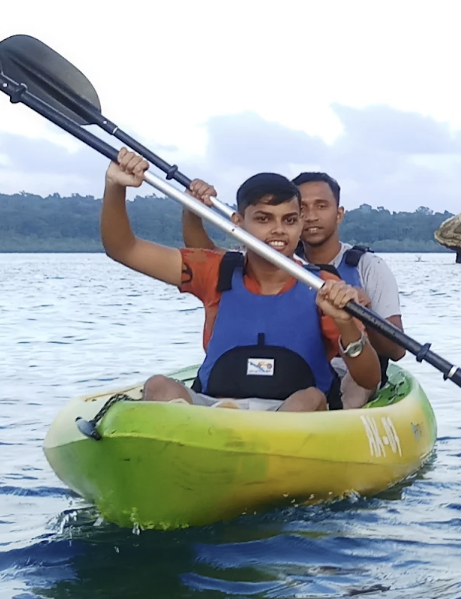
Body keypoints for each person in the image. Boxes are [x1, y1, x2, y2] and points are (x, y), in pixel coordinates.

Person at [101, 149, 379, 411]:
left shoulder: (322, 284)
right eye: (264, 219)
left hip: (293, 417)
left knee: (310, 398)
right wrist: (116, 186)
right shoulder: (214, 270)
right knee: (159, 386)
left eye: (290, 220)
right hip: (215, 409)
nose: (279, 230)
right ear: (238, 222)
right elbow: (124, 249)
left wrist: (345, 323)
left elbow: (368, 379)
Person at [183, 169, 405, 408]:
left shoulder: (366, 266)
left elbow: (396, 350)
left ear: (339, 214)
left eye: (321, 206)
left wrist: (359, 315)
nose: (311, 216)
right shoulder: (273, 256)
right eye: (303, 208)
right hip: (284, 369)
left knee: (351, 387)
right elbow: (206, 260)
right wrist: (193, 210)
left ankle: (338, 423)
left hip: (347, 368)